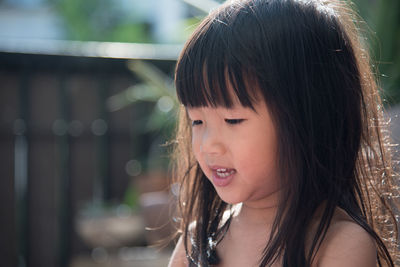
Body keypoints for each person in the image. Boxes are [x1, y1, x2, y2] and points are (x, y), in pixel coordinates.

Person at [168, 0, 399, 266]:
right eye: (197, 121)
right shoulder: (198, 239)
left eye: (233, 120)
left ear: (308, 121)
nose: (208, 145)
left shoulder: (338, 243)